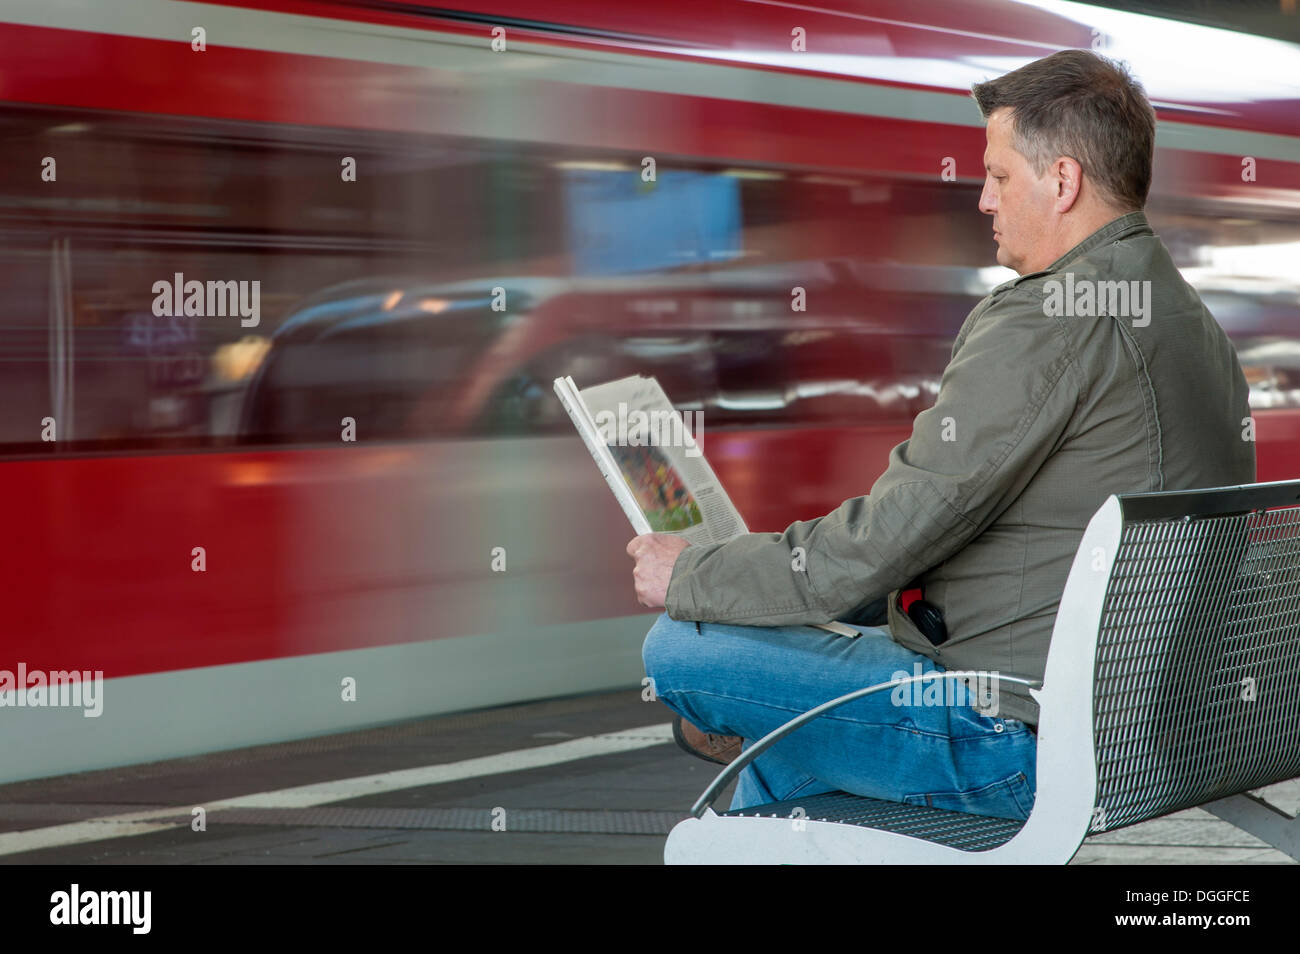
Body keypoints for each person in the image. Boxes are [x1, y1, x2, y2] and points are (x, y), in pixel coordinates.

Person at [628, 49, 1256, 820]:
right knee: (779, 761)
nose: (984, 201)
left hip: (1020, 736)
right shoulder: (1190, 322)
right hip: (1159, 730)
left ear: (1062, 183)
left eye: (997, 176)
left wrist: (694, 574)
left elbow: (893, 534)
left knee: (681, 649)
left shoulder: (1049, 319)